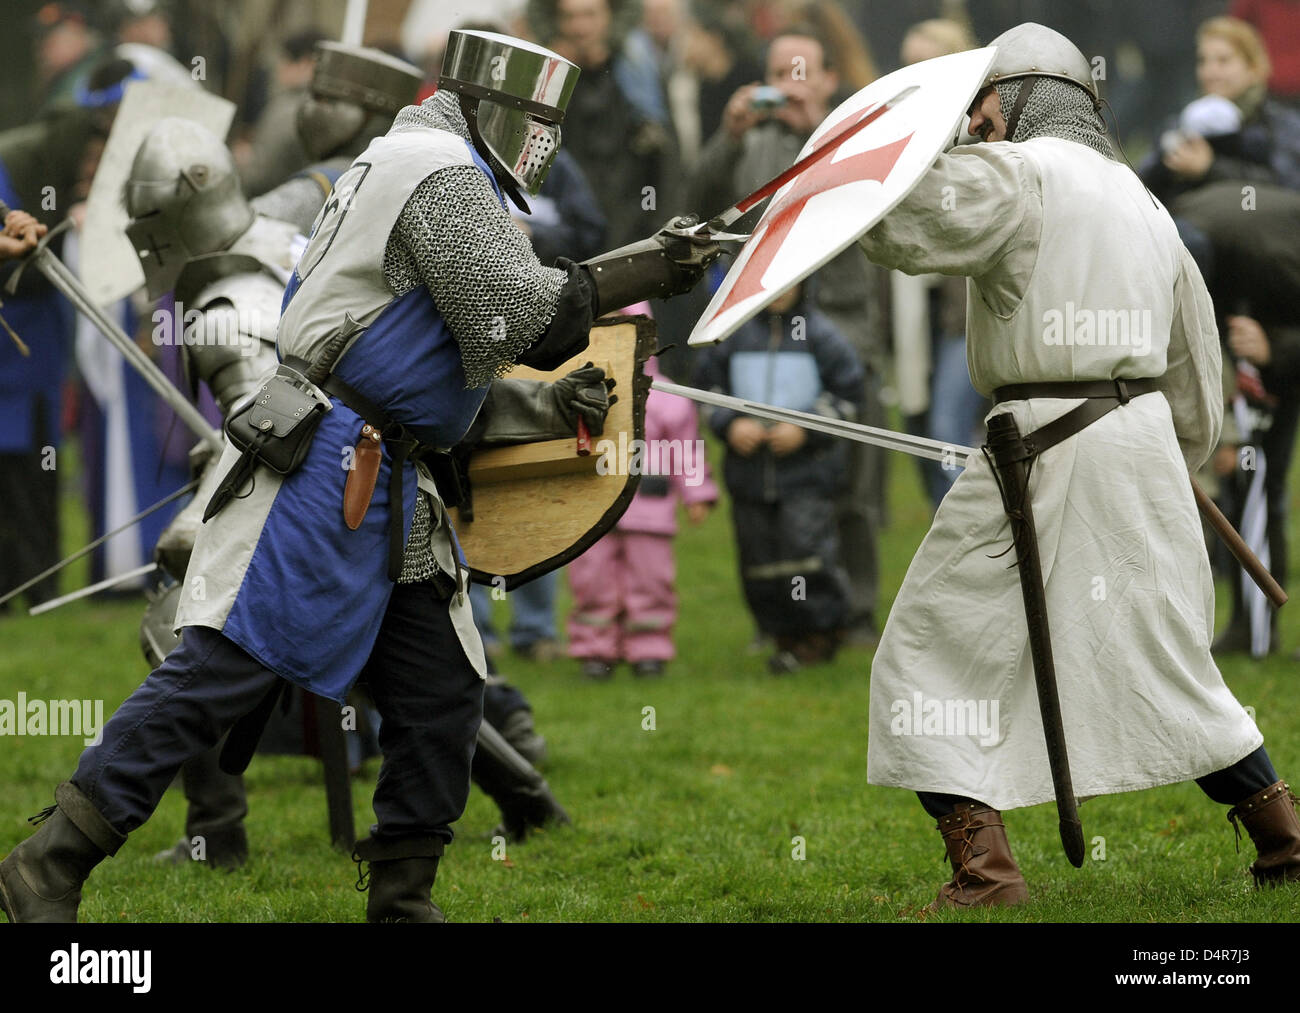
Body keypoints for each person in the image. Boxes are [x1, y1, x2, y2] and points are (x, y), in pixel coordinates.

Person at [0, 28, 719, 924]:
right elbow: (521, 318)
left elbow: (449, 366)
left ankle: (402, 904)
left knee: (440, 693)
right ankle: (49, 861)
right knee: (217, 674)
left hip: (394, 477)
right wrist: (653, 263)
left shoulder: (436, 165)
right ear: (494, 106)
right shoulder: (435, 167)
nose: (545, 141)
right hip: (325, 468)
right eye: (536, 121)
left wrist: (558, 384)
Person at [854, 22, 1299, 909]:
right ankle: (1283, 836)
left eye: (983, 104)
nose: (977, 121)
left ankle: (985, 873)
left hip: (1044, 447)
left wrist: (918, 138)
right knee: (1165, 657)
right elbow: (1195, 362)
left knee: (925, 649)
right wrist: (1169, 459)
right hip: (1132, 446)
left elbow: (898, 224)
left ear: (1021, 95)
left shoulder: (1020, 176)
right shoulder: (1144, 199)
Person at [691, 24, 888, 648]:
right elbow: (694, 204)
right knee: (767, 488)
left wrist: (812, 130)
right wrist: (728, 137)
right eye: (780, 74)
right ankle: (775, 618)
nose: (790, 85)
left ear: (829, 79)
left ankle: (852, 614)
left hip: (846, 330)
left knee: (849, 488)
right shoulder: (750, 143)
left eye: (802, 73)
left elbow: (866, 195)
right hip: (766, 334)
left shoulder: (855, 133)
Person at [694, 281, 862, 673]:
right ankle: (778, 633)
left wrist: (806, 428)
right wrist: (730, 423)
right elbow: (706, 390)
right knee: (759, 558)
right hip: (749, 475)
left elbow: (850, 393)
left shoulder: (821, 335)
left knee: (805, 552)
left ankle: (819, 633)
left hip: (807, 475)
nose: (780, 292)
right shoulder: (732, 334)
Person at [567, 353, 717, 679]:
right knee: (592, 580)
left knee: (651, 581)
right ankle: (596, 650)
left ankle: (649, 649)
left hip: (648, 507)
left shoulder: (664, 394)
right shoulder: (574, 388)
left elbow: (686, 446)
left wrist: (697, 493)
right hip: (593, 508)